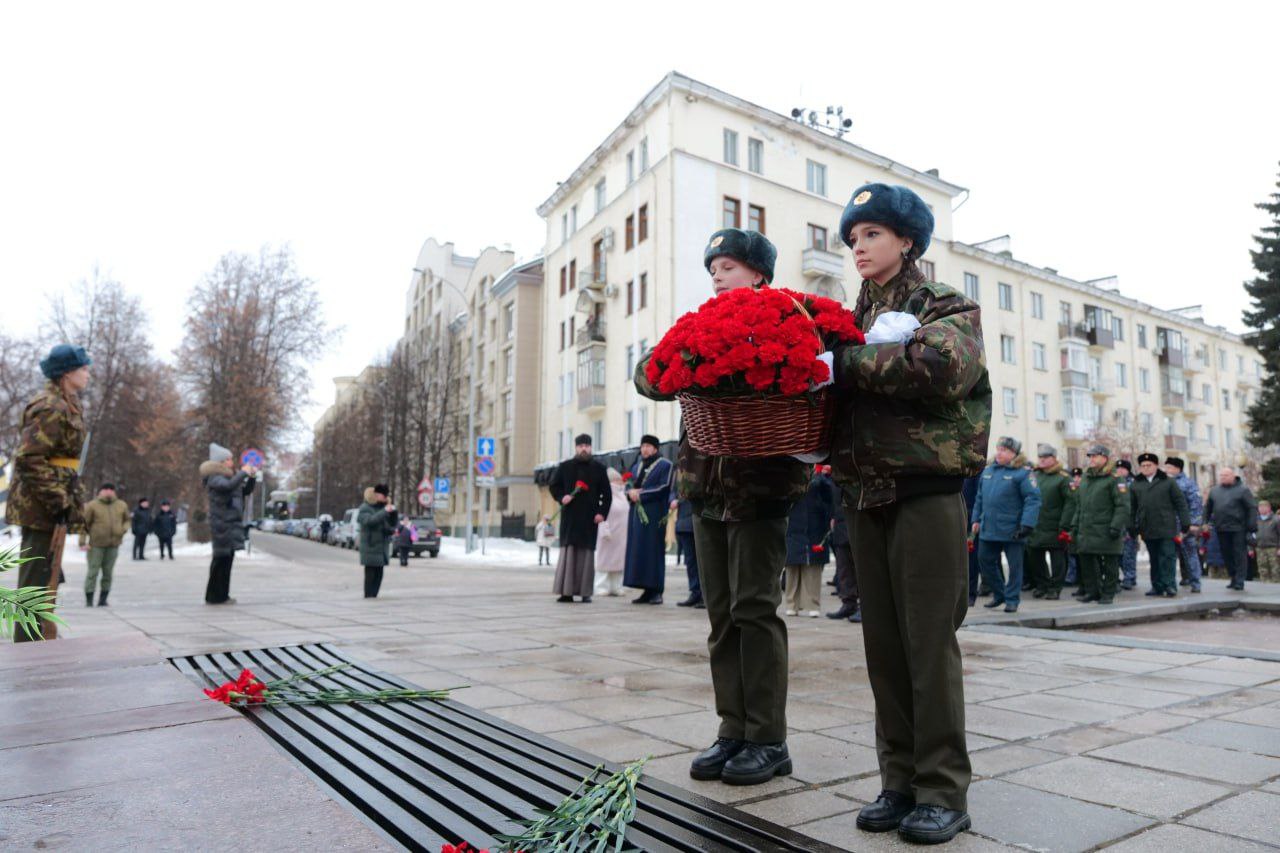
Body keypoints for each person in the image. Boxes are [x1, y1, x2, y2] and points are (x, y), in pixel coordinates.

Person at [826, 184, 990, 843]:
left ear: (907, 240)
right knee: (885, 649)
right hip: (863, 493)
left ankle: (942, 789)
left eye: (872, 233)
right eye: (853, 237)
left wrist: (842, 364)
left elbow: (941, 367)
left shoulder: (943, 303)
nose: (859, 247)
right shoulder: (846, 319)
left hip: (924, 490)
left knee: (928, 644)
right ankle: (898, 782)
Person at [636, 226, 811, 787]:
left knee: (755, 610)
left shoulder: (788, 319)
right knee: (720, 616)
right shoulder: (701, 325)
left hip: (760, 488)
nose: (717, 275)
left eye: (728, 266)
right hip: (704, 488)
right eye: (713, 268)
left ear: (759, 273)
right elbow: (648, 377)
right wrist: (687, 355)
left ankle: (768, 738)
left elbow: (811, 381)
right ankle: (732, 728)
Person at [6, 344, 91, 642]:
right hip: (40, 505)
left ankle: (39, 637)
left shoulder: (66, 403)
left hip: (51, 502)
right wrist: (59, 501)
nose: (87, 373)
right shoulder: (51, 406)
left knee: (46, 575)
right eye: (83, 368)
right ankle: (28, 646)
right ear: (67, 373)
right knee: (35, 580)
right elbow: (29, 459)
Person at [972, 437, 1041, 613]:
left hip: (1013, 529)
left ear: (1014, 454)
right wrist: (976, 519)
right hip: (989, 527)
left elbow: (1033, 499)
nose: (999, 453)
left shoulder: (1023, 473)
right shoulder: (988, 471)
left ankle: (1012, 599)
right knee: (985, 561)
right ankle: (999, 594)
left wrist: (1027, 524)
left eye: (1004, 450)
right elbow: (979, 498)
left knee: (1015, 567)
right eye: (998, 449)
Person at [549, 434, 611, 603]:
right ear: (576, 447)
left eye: (587, 446)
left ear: (591, 447)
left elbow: (607, 495)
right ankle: (566, 592)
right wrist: (561, 497)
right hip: (570, 519)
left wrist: (601, 513)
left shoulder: (599, 468)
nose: (584, 449)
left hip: (589, 519)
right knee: (569, 554)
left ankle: (585, 592)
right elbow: (554, 486)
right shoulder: (565, 467)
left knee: (587, 555)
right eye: (581, 446)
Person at [1069, 444, 1129, 605]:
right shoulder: (1086, 478)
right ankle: (1093, 591)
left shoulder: (1115, 478)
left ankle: (1108, 593)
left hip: (1106, 528)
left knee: (1110, 563)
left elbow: (1122, 505)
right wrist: (1074, 525)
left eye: (1095, 456)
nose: (1092, 459)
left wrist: (1116, 526)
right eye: (1090, 456)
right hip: (1087, 528)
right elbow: (1079, 505)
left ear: (1105, 458)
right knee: (1087, 560)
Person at [201, 443, 257, 605]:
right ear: (222, 462)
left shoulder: (228, 477)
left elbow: (244, 491)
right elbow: (228, 486)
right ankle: (213, 596)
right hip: (222, 525)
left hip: (229, 524)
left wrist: (251, 477)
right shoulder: (215, 478)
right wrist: (243, 473)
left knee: (227, 561)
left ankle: (222, 595)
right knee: (220, 561)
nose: (232, 462)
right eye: (229, 459)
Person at [1130, 452, 1190, 598]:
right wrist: (1131, 525)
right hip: (1147, 526)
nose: (1146, 468)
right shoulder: (1136, 484)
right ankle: (1157, 586)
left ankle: (1169, 585)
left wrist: (1185, 521)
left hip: (1166, 526)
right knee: (1154, 558)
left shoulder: (1168, 482)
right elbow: (1131, 507)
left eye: (1149, 465)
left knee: (1167, 557)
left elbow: (1180, 502)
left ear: (1156, 466)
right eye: (1143, 465)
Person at [623, 435, 675, 604]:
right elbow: (629, 484)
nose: (644, 449)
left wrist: (641, 494)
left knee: (653, 550)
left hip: (654, 514)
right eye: (643, 446)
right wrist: (630, 492)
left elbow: (664, 487)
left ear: (655, 448)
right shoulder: (637, 465)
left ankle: (657, 590)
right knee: (640, 550)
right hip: (636, 515)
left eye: (648, 446)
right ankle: (645, 588)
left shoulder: (665, 465)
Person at [784, 466, 837, 617]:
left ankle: (813, 604)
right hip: (794, 524)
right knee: (792, 567)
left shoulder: (821, 480)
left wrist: (821, 478)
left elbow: (830, 498)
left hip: (815, 526)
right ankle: (791, 603)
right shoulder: (791, 475)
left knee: (813, 568)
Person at [1026, 444, 1075, 600]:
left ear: (1054, 458)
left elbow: (1070, 503)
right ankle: (1042, 585)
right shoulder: (1034, 476)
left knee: (1057, 561)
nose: (1042, 460)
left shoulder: (1063, 478)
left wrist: (1065, 525)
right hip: (1036, 525)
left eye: (1046, 457)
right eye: (1040, 457)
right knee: (1035, 558)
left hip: (1055, 526)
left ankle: (1055, 588)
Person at [1205, 466, 1258, 590]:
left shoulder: (1243, 490)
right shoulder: (1214, 491)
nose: (1223, 477)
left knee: (1239, 554)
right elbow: (1208, 508)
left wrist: (1251, 526)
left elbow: (1251, 508)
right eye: (1221, 475)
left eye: (1226, 475)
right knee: (1226, 554)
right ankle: (1233, 577)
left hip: (1238, 528)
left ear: (1233, 476)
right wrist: (1204, 522)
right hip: (1221, 527)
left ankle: (1240, 580)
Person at [79, 482, 129, 606]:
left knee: (108, 573)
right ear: (100, 491)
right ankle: (89, 599)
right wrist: (82, 542)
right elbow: (84, 524)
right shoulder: (92, 505)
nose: (108, 491)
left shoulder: (121, 505)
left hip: (113, 545)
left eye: (111, 489)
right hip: (96, 545)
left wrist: (123, 529)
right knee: (93, 572)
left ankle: (103, 599)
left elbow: (127, 520)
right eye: (105, 489)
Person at [1165, 457, 1204, 593]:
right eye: (1166, 467)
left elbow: (1196, 504)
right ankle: (1169, 585)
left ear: (1178, 468)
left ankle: (1195, 582)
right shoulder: (1164, 482)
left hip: (1184, 526)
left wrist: (1194, 523)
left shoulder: (1188, 483)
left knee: (1190, 554)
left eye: (1169, 467)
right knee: (1168, 556)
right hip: (1167, 526)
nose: (1167, 470)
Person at [357, 484, 397, 597]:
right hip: (370, 546)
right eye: (382, 495)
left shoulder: (382, 508)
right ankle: (368, 595)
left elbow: (390, 526)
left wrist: (393, 515)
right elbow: (369, 521)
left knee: (379, 574)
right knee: (370, 574)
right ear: (375, 495)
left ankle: (374, 596)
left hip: (382, 547)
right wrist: (384, 511)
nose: (384, 497)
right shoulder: (365, 507)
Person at [594, 468, 630, 596]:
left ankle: (616, 586)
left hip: (621, 534)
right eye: (617, 480)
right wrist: (603, 528)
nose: (620, 482)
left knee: (618, 560)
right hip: (607, 533)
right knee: (604, 559)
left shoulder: (622, 495)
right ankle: (601, 586)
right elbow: (601, 511)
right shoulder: (605, 494)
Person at [826, 508, 860, 622]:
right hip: (840, 525)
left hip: (859, 520)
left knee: (863, 571)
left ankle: (865, 606)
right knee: (844, 569)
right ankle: (849, 604)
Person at [672, 497, 703, 608]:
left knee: (703, 561)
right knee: (690, 562)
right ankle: (695, 592)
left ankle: (705, 595)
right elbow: (672, 492)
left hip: (701, 518)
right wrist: (673, 499)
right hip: (684, 523)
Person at [1114, 460, 1138, 590]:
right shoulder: (1114, 482)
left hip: (1129, 523)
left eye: (1122, 469)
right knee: (1117, 553)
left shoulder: (1133, 483)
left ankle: (1130, 577)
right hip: (1117, 523)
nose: (1119, 471)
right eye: (1117, 468)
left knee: (1129, 553)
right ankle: (1119, 577)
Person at [1065, 467, 1084, 588]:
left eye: (1079, 477)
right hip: (1070, 525)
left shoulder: (1085, 489)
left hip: (1081, 525)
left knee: (1080, 554)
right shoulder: (1069, 490)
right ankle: (1072, 576)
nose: (1076, 479)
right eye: (1074, 477)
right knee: (1071, 553)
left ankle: (1080, 578)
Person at [1255, 500, 1279, 583]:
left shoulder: (1276, 519)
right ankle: (1264, 585)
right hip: (1259, 547)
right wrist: (1250, 548)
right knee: (1262, 568)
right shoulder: (1256, 520)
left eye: (1264, 507)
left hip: (1273, 548)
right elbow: (1251, 534)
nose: (1262, 509)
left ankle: (1276, 585)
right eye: (1260, 507)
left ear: (1269, 508)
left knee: (1275, 568)